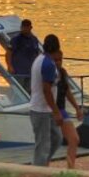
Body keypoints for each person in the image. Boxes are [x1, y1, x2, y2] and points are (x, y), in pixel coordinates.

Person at [29, 34, 63, 167]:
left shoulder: (43, 60)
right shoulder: (47, 64)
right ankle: (39, 169)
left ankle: (43, 164)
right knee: (42, 145)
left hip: (46, 109)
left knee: (57, 138)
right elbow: (46, 90)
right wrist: (56, 112)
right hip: (41, 110)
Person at [54, 50, 84, 169]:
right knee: (50, 142)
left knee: (74, 139)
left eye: (60, 60)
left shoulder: (62, 72)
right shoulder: (48, 75)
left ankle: (70, 167)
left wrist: (77, 108)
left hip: (61, 110)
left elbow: (67, 91)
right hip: (50, 111)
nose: (58, 62)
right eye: (55, 60)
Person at [5, 19, 41, 90]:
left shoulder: (34, 39)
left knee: (30, 90)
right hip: (18, 71)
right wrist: (9, 66)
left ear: (30, 28)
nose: (24, 29)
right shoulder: (15, 40)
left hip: (30, 71)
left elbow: (36, 54)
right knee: (18, 90)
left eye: (26, 27)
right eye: (23, 27)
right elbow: (8, 53)